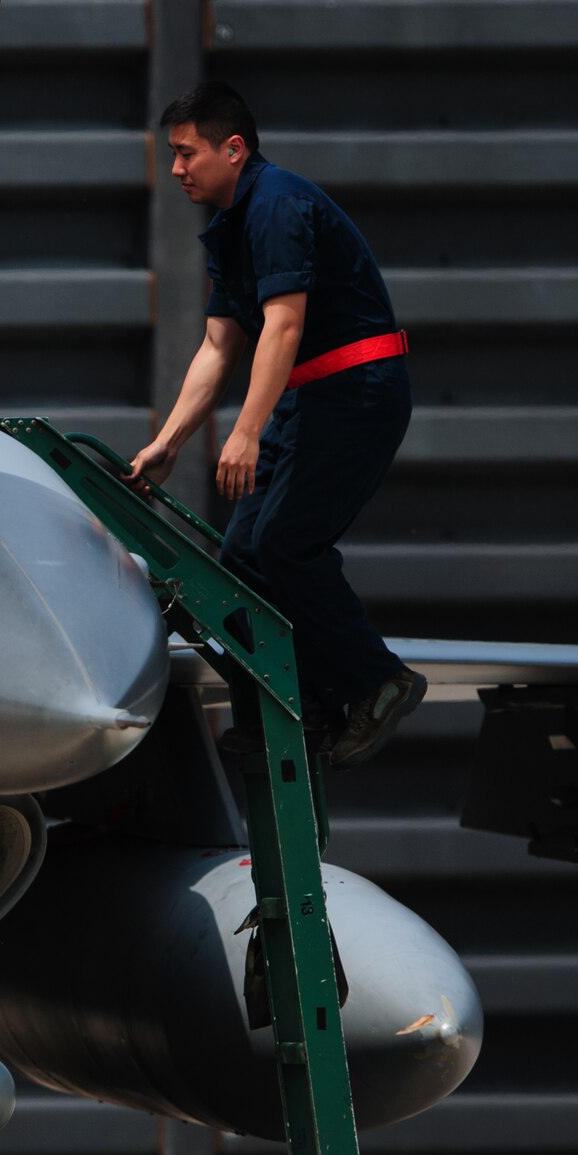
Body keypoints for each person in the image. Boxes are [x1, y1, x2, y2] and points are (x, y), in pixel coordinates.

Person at [127, 82, 423, 770]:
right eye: (172, 155)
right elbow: (220, 346)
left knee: (287, 542)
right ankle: (308, 706)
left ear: (233, 149)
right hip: (311, 395)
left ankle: (378, 682)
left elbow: (284, 324)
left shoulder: (278, 204)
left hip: (357, 387)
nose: (176, 169)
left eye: (186, 153)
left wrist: (246, 430)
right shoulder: (232, 225)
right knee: (246, 558)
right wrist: (168, 440)